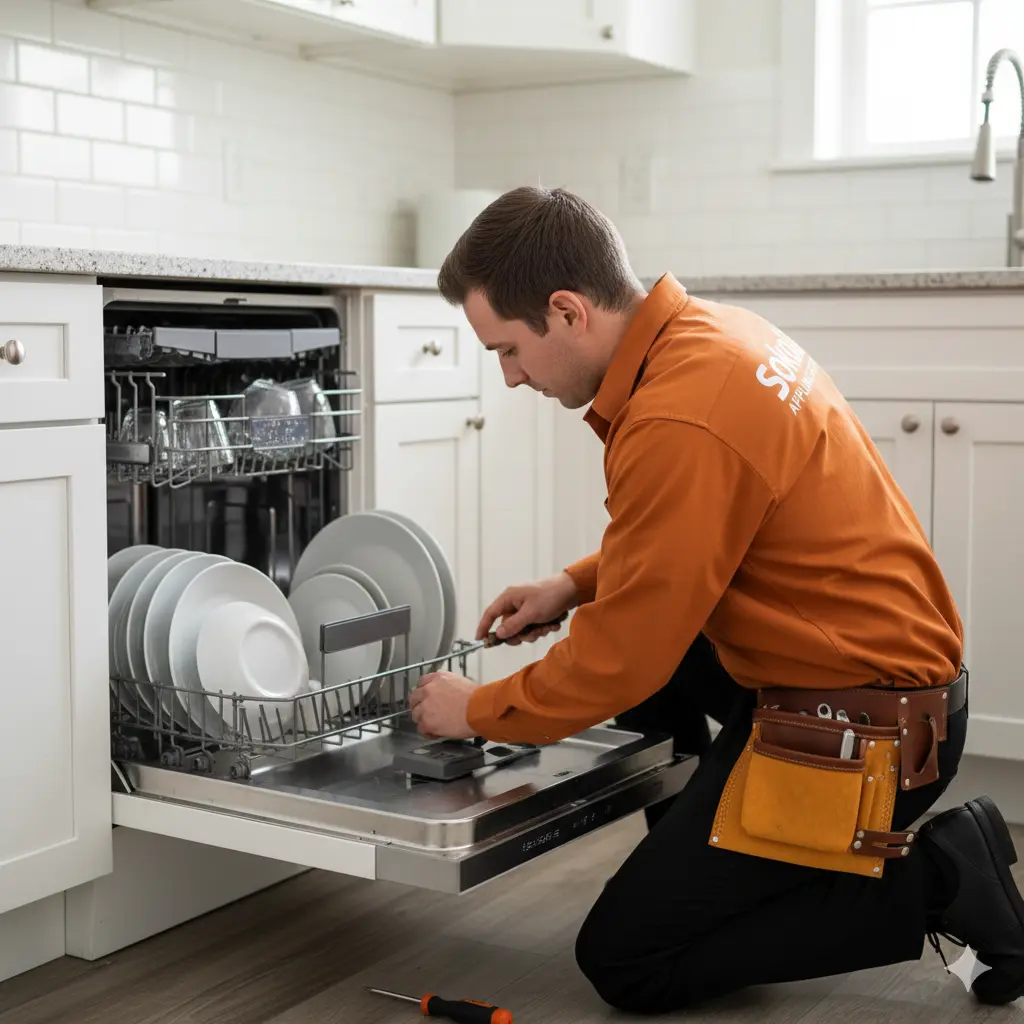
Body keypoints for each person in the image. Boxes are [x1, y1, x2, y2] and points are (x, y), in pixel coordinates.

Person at [408, 185, 1024, 1013]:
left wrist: (476, 709)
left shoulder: (678, 417)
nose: (510, 377)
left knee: (628, 959)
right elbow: (703, 532)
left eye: (507, 350)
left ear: (565, 310)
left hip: (869, 728)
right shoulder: (712, 336)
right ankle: (724, 859)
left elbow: (617, 663)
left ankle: (942, 876)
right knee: (652, 650)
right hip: (874, 681)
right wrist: (574, 584)